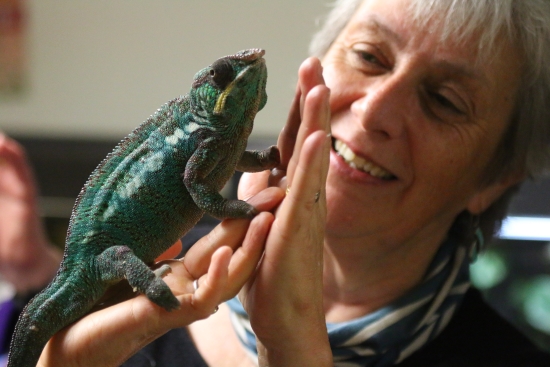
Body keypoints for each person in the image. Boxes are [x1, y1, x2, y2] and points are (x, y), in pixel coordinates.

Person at [2, 0, 550, 365]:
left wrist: (293, 350)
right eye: (368, 56)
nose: (377, 111)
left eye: (446, 101)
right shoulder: (175, 269)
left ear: (496, 177)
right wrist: (37, 276)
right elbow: (85, 286)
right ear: (313, 72)